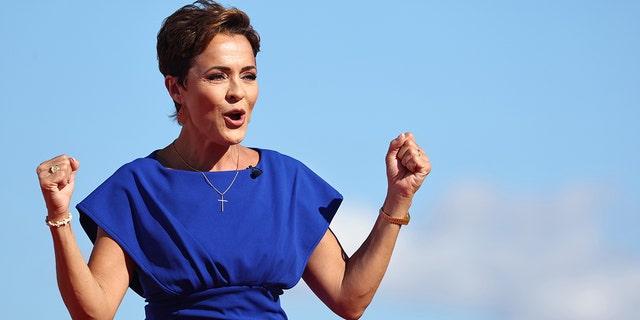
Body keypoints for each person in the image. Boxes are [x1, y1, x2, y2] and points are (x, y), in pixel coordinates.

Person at [36, 1, 431, 319]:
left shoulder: (286, 180)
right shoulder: (136, 188)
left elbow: (349, 298)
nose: (237, 92)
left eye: (249, 75)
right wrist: (59, 216)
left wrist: (398, 198)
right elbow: (95, 312)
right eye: (217, 76)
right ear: (176, 87)